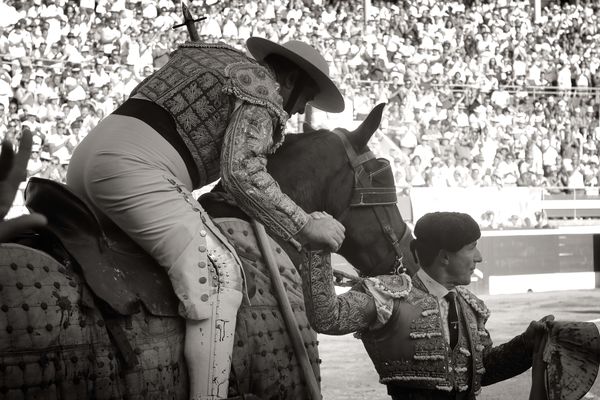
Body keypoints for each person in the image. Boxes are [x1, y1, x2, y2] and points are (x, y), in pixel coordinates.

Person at [66, 37, 346, 400]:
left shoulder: (216, 60)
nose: (295, 112)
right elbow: (241, 172)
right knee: (218, 274)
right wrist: (306, 225)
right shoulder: (263, 87)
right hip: (134, 172)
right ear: (290, 81)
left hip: (86, 161)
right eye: (304, 100)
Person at [299, 211, 552, 400]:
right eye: (472, 247)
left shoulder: (470, 306)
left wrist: (526, 344)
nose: (479, 257)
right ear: (444, 256)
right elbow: (328, 318)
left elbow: (482, 370)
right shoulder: (388, 296)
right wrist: (317, 248)